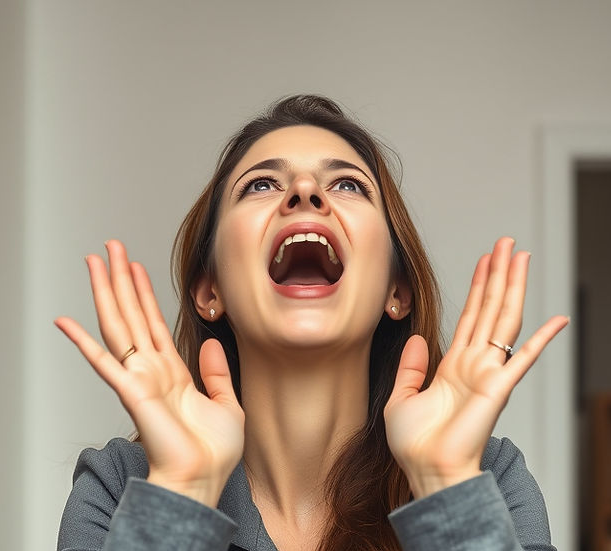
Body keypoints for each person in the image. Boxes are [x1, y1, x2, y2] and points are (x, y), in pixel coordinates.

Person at [55, 95, 569, 551]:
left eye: (347, 184)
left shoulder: (490, 480)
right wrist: (181, 490)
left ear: (398, 291)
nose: (304, 191)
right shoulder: (120, 485)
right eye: (260, 185)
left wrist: (445, 483)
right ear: (210, 292)